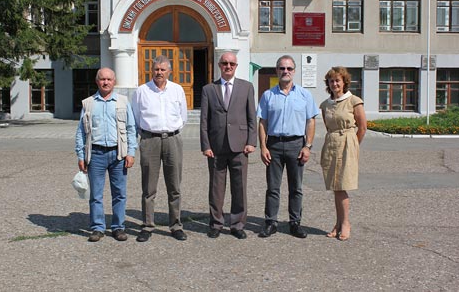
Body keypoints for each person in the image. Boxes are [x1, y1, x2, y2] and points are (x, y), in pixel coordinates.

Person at [257, 55, 319, 239]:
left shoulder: (304, 95)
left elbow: (311, 121)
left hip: (296, 145)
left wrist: (307, 146)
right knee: (273, 187)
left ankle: (295, 223)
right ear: (277, 70)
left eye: (289, 68)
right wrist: (263, 147)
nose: (285, 71)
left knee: (296, 187)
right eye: (282, 68)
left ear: (294, 71)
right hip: (274, 145)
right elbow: (263, 122)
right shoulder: (268, 95)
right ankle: (271, 222)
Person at [75, 67, 137, 242]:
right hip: (96, 154)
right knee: (96, 194)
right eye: (102, 79)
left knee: (119, 193)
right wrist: (81, 155)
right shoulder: (88, 103)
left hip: (118, 154)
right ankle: (97, 228)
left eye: (109, 79)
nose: (106, 82)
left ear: (114, 81)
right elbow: (81, 132)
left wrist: (131, 153)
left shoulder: (123, 102)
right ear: (97, 81)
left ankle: (118, 227)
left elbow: (131, 129)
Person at [200, 52, 257, 239]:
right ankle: (216, 223)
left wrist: (251, 142)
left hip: (240, 146)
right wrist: (205, 145)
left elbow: (251, 117)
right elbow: (204, 121)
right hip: (216, 146)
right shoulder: (209, 89)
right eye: (225, 63)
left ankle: (237, 224)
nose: (228, 66)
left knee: (239, 187)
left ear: (236, 65)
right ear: (219, 65)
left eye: (231, 63)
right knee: (216, 187)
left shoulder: (246, 87)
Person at [132, 55, 188, 242]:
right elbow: (136, 118)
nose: (159, 73)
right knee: (149, 187)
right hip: (150, 140)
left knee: (175, 186)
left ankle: (176, 225)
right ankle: (147, 225)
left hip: (173, 139)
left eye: (163, 69)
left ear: (169, 71)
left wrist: (172, 130)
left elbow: (183, 116)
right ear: (152, 70)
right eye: (156, 69)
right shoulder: (141, 91)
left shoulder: (177, 90)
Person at [320, 66, 367, 241]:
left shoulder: (354, 101)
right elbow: (327, 125)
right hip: (332, 143)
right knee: (335, 186)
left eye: (337, 80)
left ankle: (345, 223)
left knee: (342, 185)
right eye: (331, 81)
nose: (334, 84)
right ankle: (338, 223)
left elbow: (362, 127)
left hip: (347, 143)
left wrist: (353, 145)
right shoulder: (325, 105)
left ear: (344, 82)